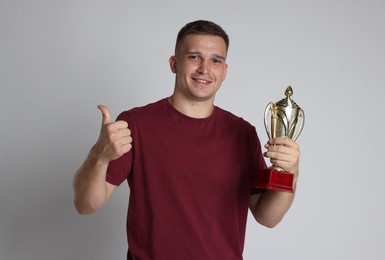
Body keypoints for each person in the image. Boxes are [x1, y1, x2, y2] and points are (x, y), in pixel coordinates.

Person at [73, 20, 300, 260]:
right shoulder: (136, 124)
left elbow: (268, 217)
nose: (205, 68)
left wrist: (291, 170)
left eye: (215, 60)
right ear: (174, 63)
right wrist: (98, 156)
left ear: (224, 71)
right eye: (194, 57)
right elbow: (86, 205)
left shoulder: (243, 134)